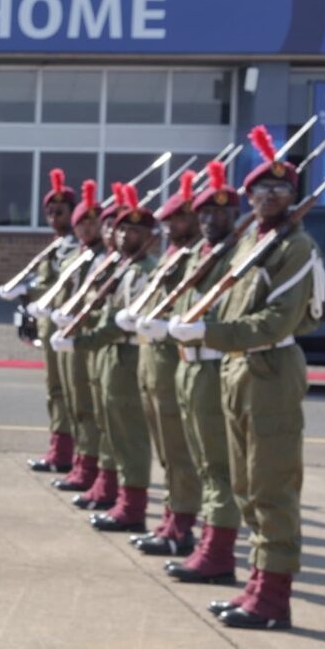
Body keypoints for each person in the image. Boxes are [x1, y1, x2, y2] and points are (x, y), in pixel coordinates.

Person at [160, 127, 325, 630]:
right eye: (261, 191)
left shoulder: (296, 249)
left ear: (292, 198)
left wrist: (208, 330)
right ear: (249, 197)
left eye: (280, 191)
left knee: (272, 486)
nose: (269, 197)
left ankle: (273, 598)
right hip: (236, 371)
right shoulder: (249, 243)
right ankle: (254, 583)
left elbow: (276, 323)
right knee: (245, 485)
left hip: (271, 370)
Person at [159, 162, 246, 582]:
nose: (212, 219)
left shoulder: (239, 255)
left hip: (214, 368)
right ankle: (197, 535)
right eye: (205, 213)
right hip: (188, 366)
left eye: (220, 213)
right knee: (197, 459)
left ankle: (218, 550)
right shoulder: (197, 254)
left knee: (218, 465)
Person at [57, 185, 155, 532]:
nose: (120, 233)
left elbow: (119, 321)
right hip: (110, 353)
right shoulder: (123, 266)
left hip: (128, 354)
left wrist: (83, 340)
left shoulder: (145, 269)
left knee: (129, 433)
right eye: (118, 228)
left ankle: (130, 502)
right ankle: (112, 488)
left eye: (131, 229)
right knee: (107, 423)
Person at [119, 172, 203, 551]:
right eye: (168, 221)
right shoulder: (171, 259)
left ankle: (182, 526)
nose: (171, 227)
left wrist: (166, 327)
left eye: (179, 220)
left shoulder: (198, 260)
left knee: (180, 450)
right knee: (165, 449)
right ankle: (171, 519)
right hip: (152, 363)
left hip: (175, 362)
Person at [0, 169, 78, 473]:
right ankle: (59, 451)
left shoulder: (73, 248)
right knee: (54, 390)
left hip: (64, 329)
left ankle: (68, 454)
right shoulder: (56, 245)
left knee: (66, 392)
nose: (53, 217)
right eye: (49, 212)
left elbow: (63, 287)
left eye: (59, 211)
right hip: (49, 329)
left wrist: (30, 289)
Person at [46, 181, 106, 494]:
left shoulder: (104, 259)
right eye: (82, 223)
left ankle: (90, 467)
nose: (85, 228)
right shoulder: (75, 255)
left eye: (92, 222)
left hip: (89, 337)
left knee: (88, 404)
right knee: (69, 398)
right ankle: (77, 461)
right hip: (65, 333)